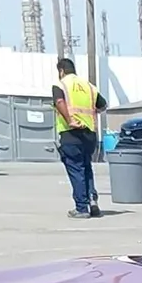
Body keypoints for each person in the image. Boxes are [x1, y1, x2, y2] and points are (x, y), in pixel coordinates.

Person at [52, 57, 106, 218]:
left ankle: (81, 208)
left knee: (76, 169)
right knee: (86, 167)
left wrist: (70, 120)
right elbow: (102, 105)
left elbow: (59, 101)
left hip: (71, 132)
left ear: (61, 71)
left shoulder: (60, 85)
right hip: (89, 134)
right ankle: (92, 201)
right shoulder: (89, 87)